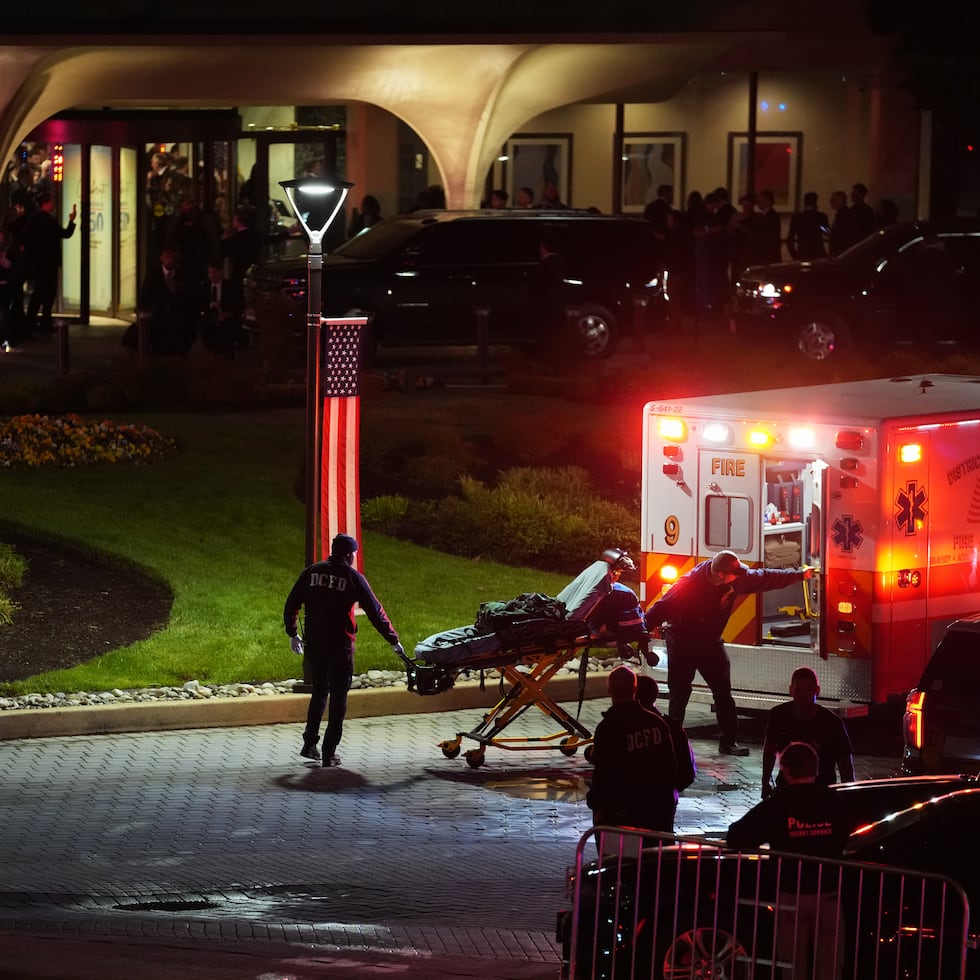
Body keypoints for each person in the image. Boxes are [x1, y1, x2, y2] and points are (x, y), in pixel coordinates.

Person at [646, 550, 813, 756]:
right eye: (736, 573)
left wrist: (799, 574)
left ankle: (728, 742)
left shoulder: (736, 579)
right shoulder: (688, 585)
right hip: (682, 643)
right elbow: (660, 609)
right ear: (721, 575)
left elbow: (765, 577)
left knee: (723, 693)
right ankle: (673, 743)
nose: (741, 576)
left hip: (709, 642)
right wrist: (639, 630)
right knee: (679, 694)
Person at [727, 741, 849, 980]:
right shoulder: (833, 801)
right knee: (830, 963)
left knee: (792, 965)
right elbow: (846, 835)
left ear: (785, 771)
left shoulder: (778, 804)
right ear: (815, 769)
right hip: (829, 893)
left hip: (792, 894)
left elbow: (737, 835)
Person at [283, 534, 404, 767]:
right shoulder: (352, 577)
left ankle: (309, 743)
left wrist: (292, 633)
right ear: (349, 555)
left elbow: (292, 603)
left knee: (319, 691)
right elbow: (375, 612)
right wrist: (393, 639)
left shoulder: (311, 572)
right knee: (338, 697)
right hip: (340, 646)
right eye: (354, 553)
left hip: (315, 644)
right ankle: (329, 752)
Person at [586, 664, 678, 833]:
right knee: (656, 849)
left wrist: (596, 803)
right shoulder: (657, 723)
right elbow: (671, 766)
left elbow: (604, 772)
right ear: (635, 689)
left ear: (609, 690)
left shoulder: (609, 727)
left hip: (623, 811)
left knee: (620, 850)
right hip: (658, 808)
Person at [761, 667, 854, 799]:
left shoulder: (831, 723)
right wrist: (765, 782)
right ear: (791, 691)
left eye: (808, 691)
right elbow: (769, 750)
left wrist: (848, 796)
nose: (803, 696)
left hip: (821, 791)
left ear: (817, 691)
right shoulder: (778, 715)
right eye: (799, 690)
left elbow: (845, 765)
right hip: (787, 789)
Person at [636, 674, 697, 822]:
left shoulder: (619, 726)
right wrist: (671, 790)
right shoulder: (672, 726)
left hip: (628, 806)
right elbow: (687, 771)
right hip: (664, 803)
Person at [588, 548, 657, 664]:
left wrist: (594, 628)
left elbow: (597, 622)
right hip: (631, 628)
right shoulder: (621, 592)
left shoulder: (605, 592)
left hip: (614, 629)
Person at [21, 191, 76, 336]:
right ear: (45, 203)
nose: (53, 204)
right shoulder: (49, 221)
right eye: (51, 201)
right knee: (48, 294)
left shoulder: (34, 220)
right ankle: (45, 322)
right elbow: (65, 233)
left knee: (38, 293)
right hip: (49, 262)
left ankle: (31, 322)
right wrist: (71, 221)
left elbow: (27, 238)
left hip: (39, 262)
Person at [787, 191, 828, 260]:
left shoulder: (797, 218)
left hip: (802, 252)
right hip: (818, 252)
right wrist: (821, 226)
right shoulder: (821, 217)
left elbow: (790, 238)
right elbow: (826, 232)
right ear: (815, 202)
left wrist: (794, 254)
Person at [754, 188, 782, 264]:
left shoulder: (772, 217)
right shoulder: (764, 216)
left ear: (768, 201)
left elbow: (768, 238)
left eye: (761, 199)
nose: (758, 202)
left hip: (768, 256)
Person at [827, 189, 854, 256]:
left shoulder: (843, 215)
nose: (831, 202)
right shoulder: (843, 213)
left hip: (840, 252)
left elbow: (840, 235)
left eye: (834, 200)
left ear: (841, 201)